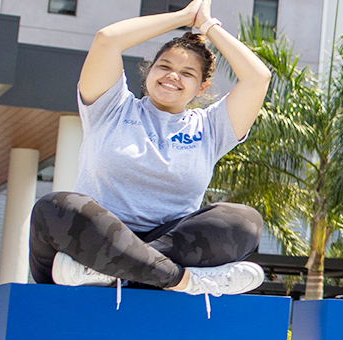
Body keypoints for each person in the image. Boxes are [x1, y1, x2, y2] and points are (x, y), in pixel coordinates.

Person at [29, 0, 271, 308]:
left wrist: (208, 26)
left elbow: (258, 78)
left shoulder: (211, 127)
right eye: (165, 66)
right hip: (87, 248)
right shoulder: (112, 107)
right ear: (149, 71)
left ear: (202, 86)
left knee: (244, 222)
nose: (173, 76)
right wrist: (184, 17)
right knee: (56, 207)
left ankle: (116, 270)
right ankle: (182, 280)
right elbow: (107, 39)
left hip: (159, 247)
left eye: (187, 73)